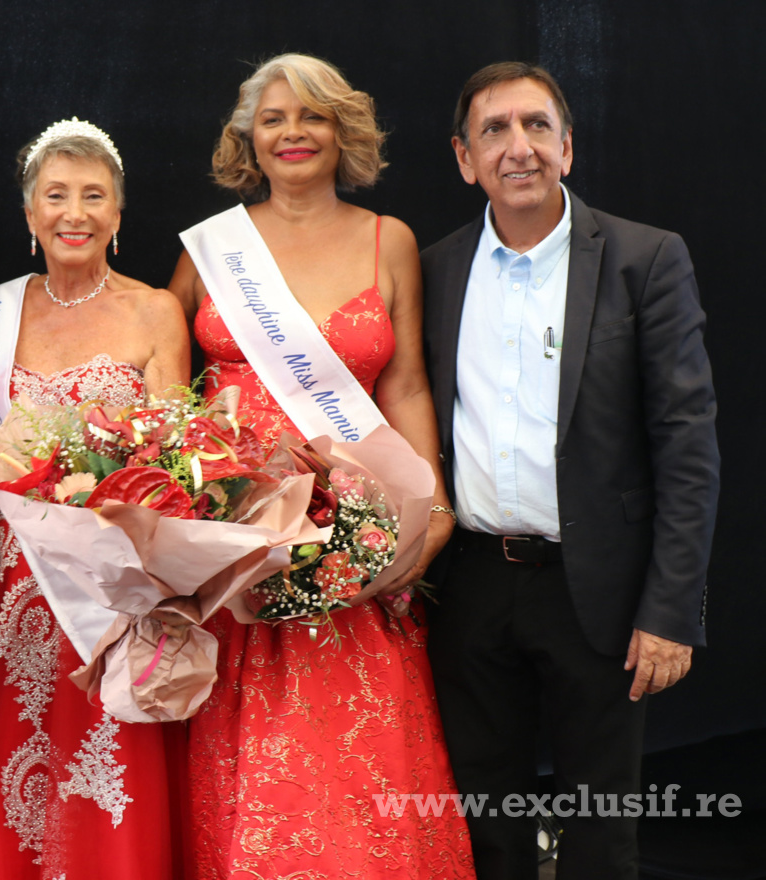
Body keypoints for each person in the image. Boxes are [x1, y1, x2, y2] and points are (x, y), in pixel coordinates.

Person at [169, 54, 476, 878]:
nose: (292, 133)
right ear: (249, 139)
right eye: (273, 118)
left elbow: (407, 383)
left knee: (354, 764)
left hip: (355, 543)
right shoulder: (210, 251)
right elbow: (171, 403)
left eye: (311, 116)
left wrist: (431, 507)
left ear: (344, 132)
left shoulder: (390, 240)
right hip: (236, 553)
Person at [420, 62, 718, 878]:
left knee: (599, 832)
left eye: (536, 126)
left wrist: (671, 610)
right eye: (494, 130)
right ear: (463, 158)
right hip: (472, 584)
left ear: (568, 145)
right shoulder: (435, 268)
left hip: (602, 592)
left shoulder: (644, 260)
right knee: (485, 822)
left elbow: (688, 448)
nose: (518, 147)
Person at [0, 118, 190, 879]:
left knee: (108, 763)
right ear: (29, 215)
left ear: (118, 216)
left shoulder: (155, 311)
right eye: (56, 195)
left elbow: (180, 462)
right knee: (17, 759)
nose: (74, 212)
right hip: (21, 585)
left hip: (115, 585)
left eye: (93, 196)